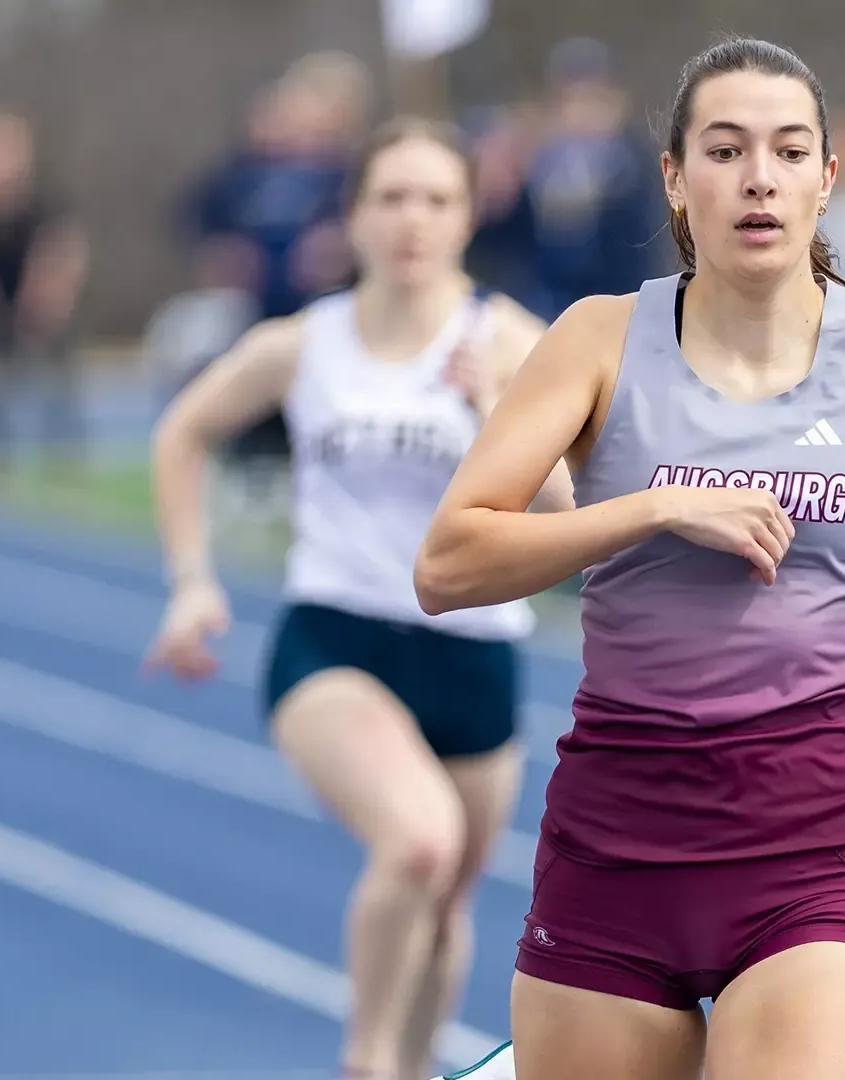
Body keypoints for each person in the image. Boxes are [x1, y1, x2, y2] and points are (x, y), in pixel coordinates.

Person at [413, 36, 845, 1080]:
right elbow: (448, 564)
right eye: (725, 150)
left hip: (810, 848)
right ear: (676, 178)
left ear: (826, 177)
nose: (759, 177)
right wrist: (653, 508)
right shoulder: (597, 341)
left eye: (788, 151)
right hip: (618, 842)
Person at [145, 116, 566, 1080]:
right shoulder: (304, 343)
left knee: (446, 904)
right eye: (391, 197)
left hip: (473, 651)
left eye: (436, 199)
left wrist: (494, 412)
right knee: (418, 844)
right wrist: (191, 579)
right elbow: (183, 432)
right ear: (353, 214)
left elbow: (575, 507)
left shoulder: (513, 342)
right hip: (336, 640)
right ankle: (367, 1064)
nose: (413, 219)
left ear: (470, 215)